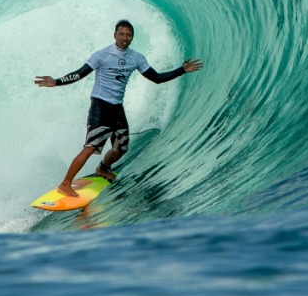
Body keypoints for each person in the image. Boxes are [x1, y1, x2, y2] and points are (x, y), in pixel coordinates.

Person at [34, 19, 203, 197]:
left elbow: (157, 78)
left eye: (128, 35)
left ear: (132, 38)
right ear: (114, 35)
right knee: (90, 147)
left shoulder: (136, 58)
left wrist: (182, 70)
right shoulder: (102, 55)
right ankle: (65, 184)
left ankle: (103, 168)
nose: (125, 38)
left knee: (121, 148)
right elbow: (80, 73)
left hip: (117, 108)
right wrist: (56, 82)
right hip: (100, 106)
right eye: (121, 34)